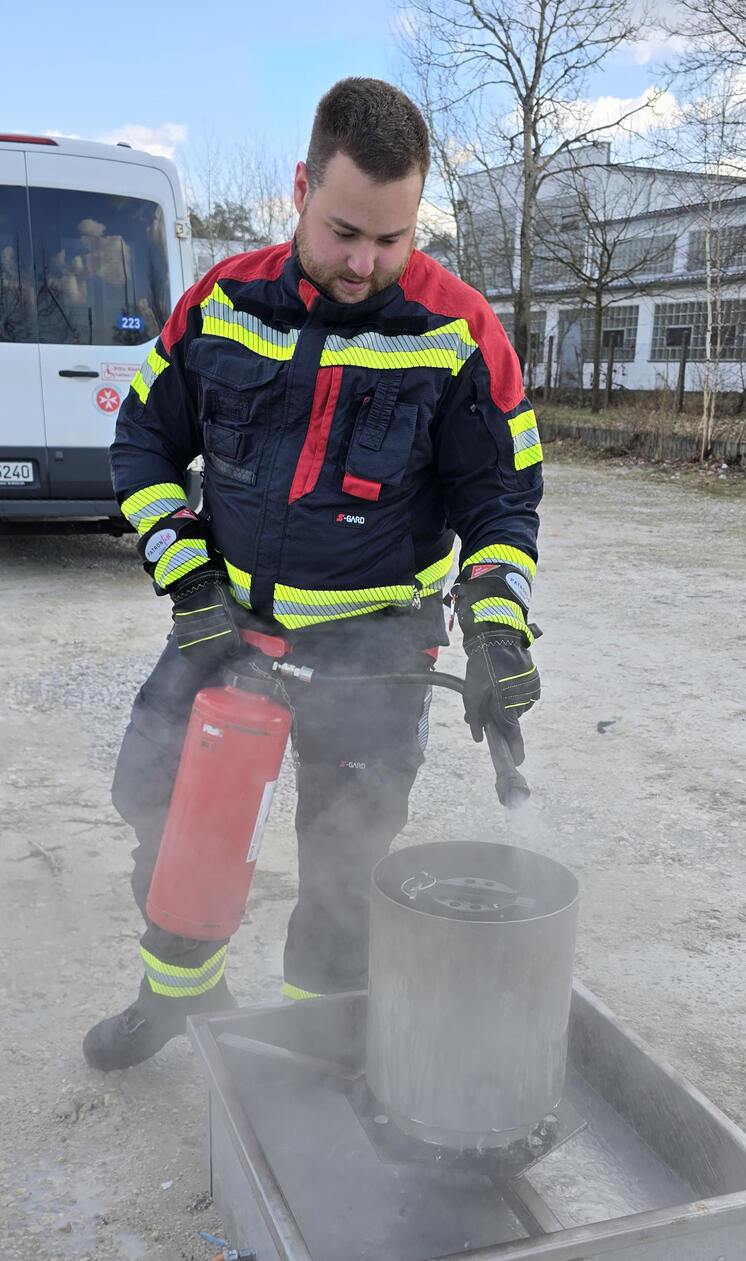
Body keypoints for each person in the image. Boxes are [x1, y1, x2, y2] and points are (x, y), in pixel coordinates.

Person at [83, 77, 543, 1072]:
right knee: (163, 815)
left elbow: (501, 503)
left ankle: (312, 1060)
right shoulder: (220, 303)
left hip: (374, 652)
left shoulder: (460, 332)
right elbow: (142, 445)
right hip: (227, 628)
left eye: (394, 237)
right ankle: (180, 997)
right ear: (300, 185)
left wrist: (499, 627)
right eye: (344, 233)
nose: (366, 263)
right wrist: (192, 586)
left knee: (344, 870)